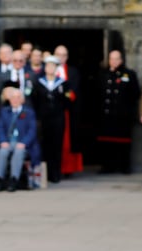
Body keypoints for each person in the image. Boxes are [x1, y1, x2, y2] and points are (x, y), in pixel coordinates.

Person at [97, 49, 141, 174]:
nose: (114, 61)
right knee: (106, 143)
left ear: (121, 60)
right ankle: (107, 166)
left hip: (122, 117)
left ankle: (124, 166)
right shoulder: (103, 74)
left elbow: (135, 93)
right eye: (112, 58)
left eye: (117, 59)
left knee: (123, 144)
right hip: (106, 115)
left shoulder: (129, 74)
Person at [33, 56, 72, 184]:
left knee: (57, 145)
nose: (50, 68)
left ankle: (56, 173)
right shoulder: (39, 82)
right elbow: (35, 101)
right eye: (48, 66)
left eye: (53, 66)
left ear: (56, 68)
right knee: (45, 145)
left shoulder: (63, 83)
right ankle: (45, 173)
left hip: (58, 118)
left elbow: (68, 101)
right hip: (44, 119)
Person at [0, 86, 36, 191]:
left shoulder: (29, 113)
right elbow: (0, 128)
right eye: (13, 97)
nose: (15, 100)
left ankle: (14, 179)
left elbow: (32, 130)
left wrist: (24, 143)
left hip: (22, 143)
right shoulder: (4, 111)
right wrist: (3, 141)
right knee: (3, 152)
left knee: (18, 152)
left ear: (22, 100)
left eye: (18, 97)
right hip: (8, 141)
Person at [53, 45, 84, 177]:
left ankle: (68, 169)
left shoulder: (72, 72)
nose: (61, 58)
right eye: (58, 55)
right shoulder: (49, 70)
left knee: (68, 142)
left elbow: (73, 91)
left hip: (68, 111)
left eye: (64, 55)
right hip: (52, 112)